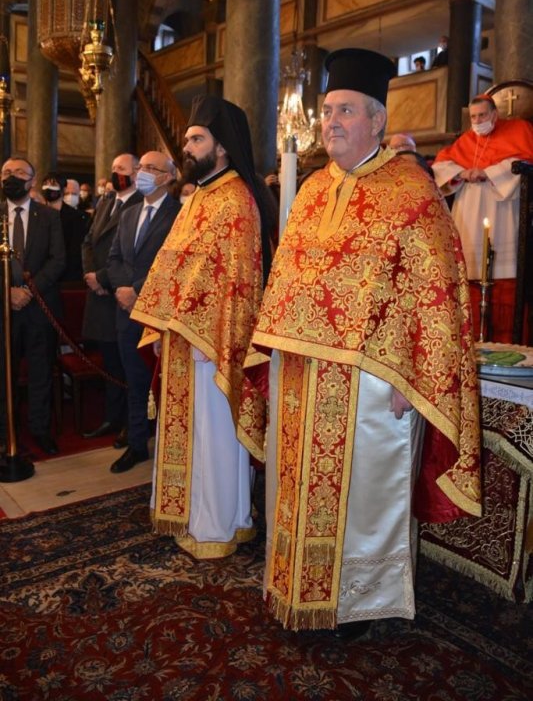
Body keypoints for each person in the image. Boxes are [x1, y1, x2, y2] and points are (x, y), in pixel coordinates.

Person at [247, 48, 481, 636]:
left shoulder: (412, 192)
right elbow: (288, 280)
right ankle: (296, 586)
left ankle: (360, 604)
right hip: (302, 379)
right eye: (327, 111)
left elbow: (436, 293)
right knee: (296, 492)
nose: (330, 123)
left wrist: (420, 379)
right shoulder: (311, 193)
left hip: (375, 384)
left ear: (376, 121)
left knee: (362, 502)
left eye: (345, 111)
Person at [131, 95, 275, 558]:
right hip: (181, 336)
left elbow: (236, 281)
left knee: (213, 437)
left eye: (197, 139)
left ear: (223, 147)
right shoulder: (197, 199)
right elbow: (170, 264)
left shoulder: (235, 200)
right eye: (188, 139)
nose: (186, 148)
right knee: (187, 435)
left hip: (214, 344)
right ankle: (187, 516)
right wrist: (159, 326)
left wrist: (191, 327)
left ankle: (217, 526)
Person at [432, 93, 533, 342]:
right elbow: (441, 167)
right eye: (474, 117)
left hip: (502, 212)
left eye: (482, 115)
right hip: (469, 212)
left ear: (494, 115)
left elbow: (523, 164)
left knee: (503, 279)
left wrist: (488, 173)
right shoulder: (466, 141)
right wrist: (462, 173)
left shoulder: (518, 131)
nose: (478, 121)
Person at [107, 151, 180, 473]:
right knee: (134, 380)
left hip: (159, 313)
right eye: (141, 168)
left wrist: (138, 290)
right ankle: (137, 444)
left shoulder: (180, 214)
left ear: (167, 177)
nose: (142, 173)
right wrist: (124, 290)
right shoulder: (128, 213)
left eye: (151, 168)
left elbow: (171, 263)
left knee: (165, 384)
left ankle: (170, 447)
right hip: (126, 312)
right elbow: (115, 258)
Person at [0, 158, 66, 455]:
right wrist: (8, 292)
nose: (11, 177)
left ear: (32, 181)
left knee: (41, 372)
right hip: (3, 309)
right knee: (4, 374)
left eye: (18, 173)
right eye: (6, 173)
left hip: (39, 306)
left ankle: (39, 429)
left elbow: (58, 260)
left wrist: (26, 290)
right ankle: (5, 433)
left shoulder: (48, 217)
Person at [81, 154, 143, 445]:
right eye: (113, 167)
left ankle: (130, 425)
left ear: (135, 173)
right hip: (99, 295)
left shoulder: (139, 204)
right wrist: (90, 275)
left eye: (121, 168)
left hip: (120, 293)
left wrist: (105, 279)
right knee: (109, 363)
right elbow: (88, 242)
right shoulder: (106, 202)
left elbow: (126, 254)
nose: (115, 172)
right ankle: (112, 416)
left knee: (127, 364)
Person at [41, 173, 88, 283]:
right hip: (42, 276)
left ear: (63, 189)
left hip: (67, 278)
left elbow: (76, 252)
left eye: (53, 184)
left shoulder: (76, 217)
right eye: (45, 184)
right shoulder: (38, 214)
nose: (49, 188)